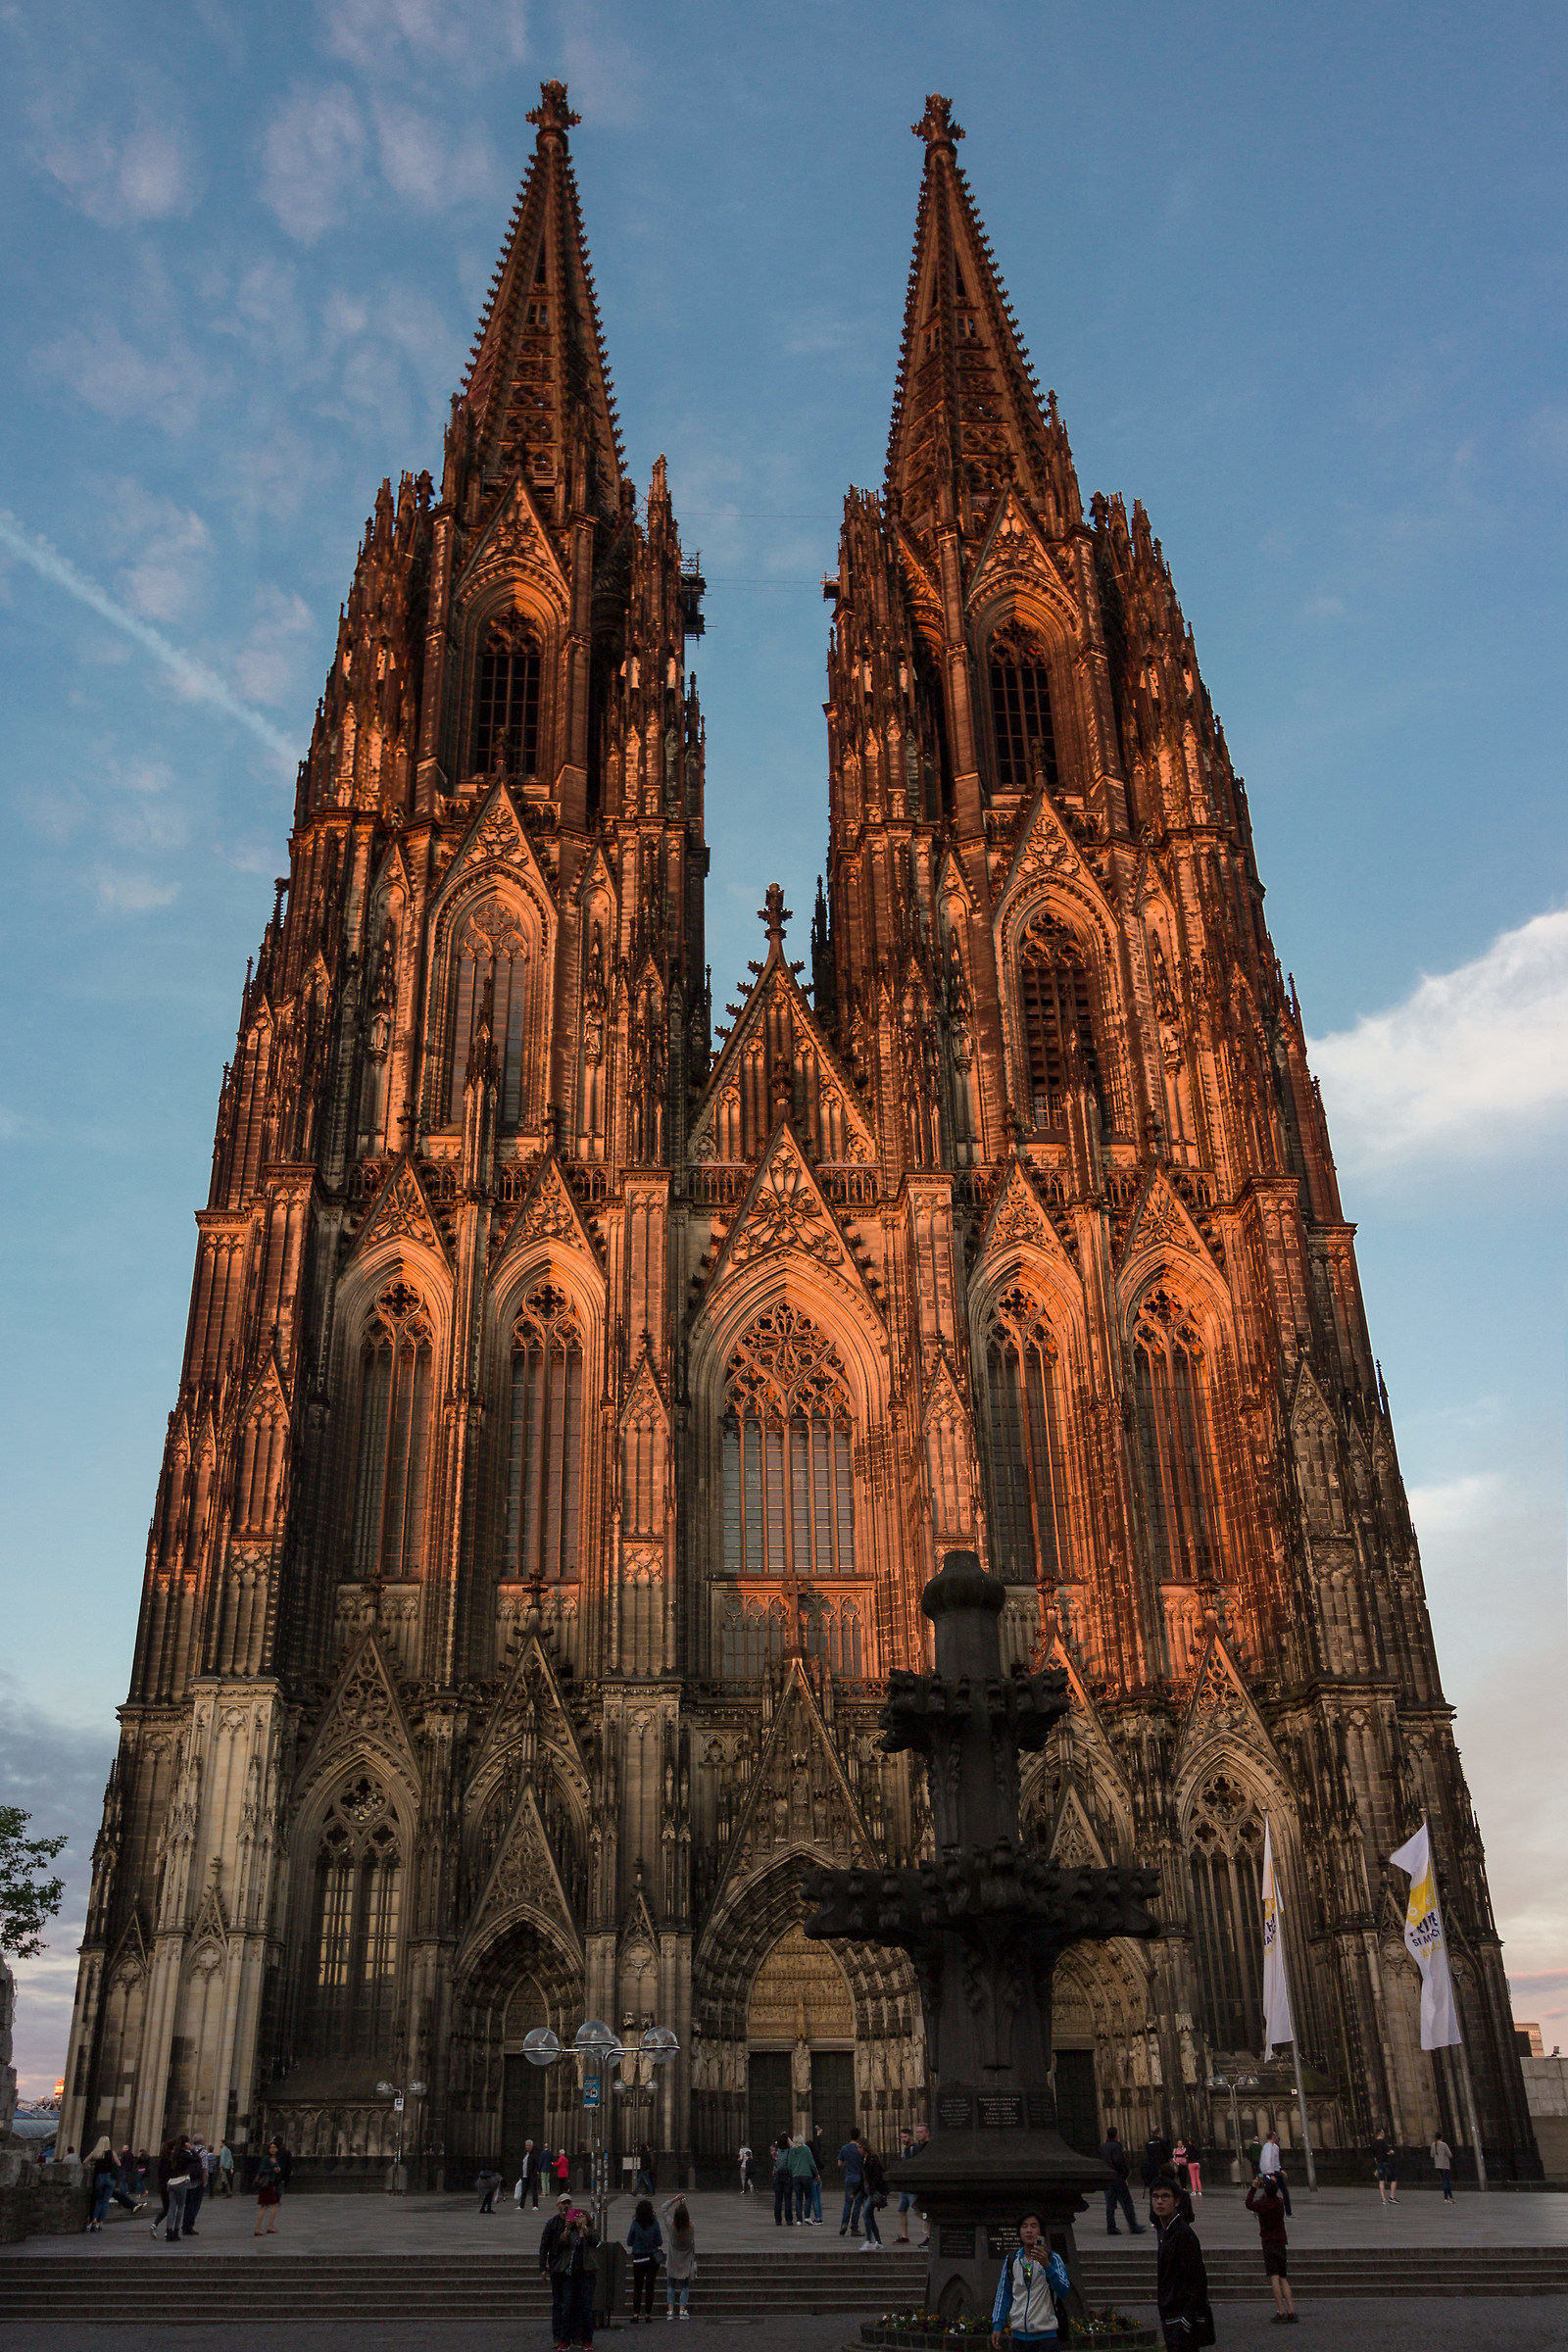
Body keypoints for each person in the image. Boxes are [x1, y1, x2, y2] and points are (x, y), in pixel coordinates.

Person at [990, 2210, 1070, 2349]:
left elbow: (1064, 2290)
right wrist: (998, 2324)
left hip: (1046, 2335)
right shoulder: (1012, 2260)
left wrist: (1047, 2266)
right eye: (1025, 2226)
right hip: (1019, 2335)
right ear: (1019, 2231)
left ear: (1041, 2231)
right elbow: (1004, 2294)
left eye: (1033, 2226)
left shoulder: (1053, 2259)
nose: (1029, 2231)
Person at [1152, 2179, 1213, 2350]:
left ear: (1176, 2201)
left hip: (1181, 2317)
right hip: (1171, 2314)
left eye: (1165, 2197)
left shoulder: (1183, 2234)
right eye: (1155, 2197)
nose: (1159, 2201)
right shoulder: (1168, 2231)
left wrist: (1187, 2319)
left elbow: (1198, 2280)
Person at [1246, 2171, 1297, 2325]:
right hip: (1281, 2242)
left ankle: (1280, 2311)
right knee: (1283, 2278)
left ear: (1265, 2192)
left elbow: (1248, 2203)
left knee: (1274, 2278)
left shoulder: (1262, 2205)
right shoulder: (1280, 2202)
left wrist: (1254, 2187)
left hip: (1269, 2243)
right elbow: (1277, 2196)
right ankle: (1291, 2311)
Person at [552, 2207, 600, 2351]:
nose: (578, 2219)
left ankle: (587, 2340)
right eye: (577, 2217)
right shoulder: (570, 2232)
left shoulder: (589, 2231)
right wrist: (567, 2228)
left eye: (581, 2216)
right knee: (567, 2308)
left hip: (586, 2275)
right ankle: (564, 2340)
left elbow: (595, 2240)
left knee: (586, 2309)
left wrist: (584, 2227)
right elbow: (561, 2244)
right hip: (570, 2274)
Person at [540, 2192, 575, 2347]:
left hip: (570, 2268)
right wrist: (542, 2267)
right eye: (563, 2203)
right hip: (556, 2267)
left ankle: (567, 2336)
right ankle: (558, 2336)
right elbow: (544, 2246)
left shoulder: (575, 2222)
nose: (566, 2206)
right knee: (558, 2303)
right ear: (558, 2205)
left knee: (568, 2303)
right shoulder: (552, 2223)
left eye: (568, 2203)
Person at [1101, 2126, 1144, 2235]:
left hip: (1107, 2178)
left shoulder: (1104, 2147)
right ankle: (1133, 2226)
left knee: (1110, 2204)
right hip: (1117, 2178)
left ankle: (1111, 2227)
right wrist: (1124, 2173)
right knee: (1126, 2203)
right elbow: (1118, 2161)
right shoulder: (1116, 2146)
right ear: (1116, 2135)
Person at [626, 2195, 663, 2323]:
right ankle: (648, 2314)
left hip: (638, 2258)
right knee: (650, 2286)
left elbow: (629, 2241)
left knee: (637, 2287)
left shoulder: (635, 2223)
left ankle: (635, 2314)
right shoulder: (655, 2223)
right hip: (652, 2258)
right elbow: (659, 2241)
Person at [661, 2195, 696, 2320]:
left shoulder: (671, 2226)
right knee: (685, 2286)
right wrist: (683, 2205)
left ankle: (670, 2311)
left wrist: (675, 2199)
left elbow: (663, 2209)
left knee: (671, 2284)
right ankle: (682, 2309)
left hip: (672, 2259)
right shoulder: (690, 2227)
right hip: (685, 2261)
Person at [155, 2137, 193, 2242]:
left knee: (170, 2208)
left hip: (168, 2184)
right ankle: (174, 2231)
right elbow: (196, 2159)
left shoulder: (165, 2157)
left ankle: (169, 2231)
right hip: (178, 2183)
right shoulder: (179, 2156)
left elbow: (161, 2173)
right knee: (179, 2207)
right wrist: (191, 2150)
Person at [896, 2122, 928, 2243]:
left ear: (910, 2136)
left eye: (905, 2136)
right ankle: (905, 2236)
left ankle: (930, 2222)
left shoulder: (915, 2149)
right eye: (901, 2137)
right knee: (901, 2211)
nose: (903, 2139)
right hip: (904, 2187)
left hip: (911, 2187)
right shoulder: (905, 2150)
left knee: (918, 2212)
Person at [786, 2132, 818, 2226]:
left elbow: (789, 2165)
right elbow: (812, 2163)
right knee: (808, 2197)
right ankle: (807, 2217)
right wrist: (816, 2173)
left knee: (798, 2198)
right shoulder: (806, 2149)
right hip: (806, 2175)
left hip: (796, 2176)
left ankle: (798, 2220)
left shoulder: (792, 2151)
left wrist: (793, 2173)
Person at [253, 2137, 284, 2235]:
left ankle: (268, 2226)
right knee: (266, 2205)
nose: (272, 2149)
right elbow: (261, 2170)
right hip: (266, 2185)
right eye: (271, 2147)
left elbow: (275, 2168)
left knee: (269, 2205)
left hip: (271, 2183)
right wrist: (273, 2170)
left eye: (274, 2147)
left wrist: (277, 2169)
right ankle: (260, 2228)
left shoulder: (275, 2159)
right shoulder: (266, 2159)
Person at [838, 2129, 865, 2236]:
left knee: (848, 2203)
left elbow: (839, 2164)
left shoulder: (844, 2148)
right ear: (859, 2136)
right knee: (857, 2204)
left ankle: (844, 2224)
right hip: (859, 2179)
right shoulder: (860, 2149)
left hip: (849, 2179)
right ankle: (854, 2228)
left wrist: (847, 2164)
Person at [859, 2142, 888, 2248]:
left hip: (874, 2191)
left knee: (866, 2214)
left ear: (864, 2147)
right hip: (867, 2191)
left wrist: (872, 2189)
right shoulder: (863, 2159)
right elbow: (862, 2177)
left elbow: (877, 2176)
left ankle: (868, 2241)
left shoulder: (873, 2160)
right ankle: (878, 2242)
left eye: (859, 2147)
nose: (858, 2149)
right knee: (870, 2216)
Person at [1142, 2130, 1172, 2225]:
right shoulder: (1163, 2142)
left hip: (1151, 2171)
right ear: (1159, 2133)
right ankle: (1168, 2215)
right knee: (1167, 2192)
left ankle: (1154, 2217)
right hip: (1163, 2170)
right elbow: (1168, 2155)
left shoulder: (1148, 2143)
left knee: (1154, 2195)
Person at [1258, 2130, 1292, 2215]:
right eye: (1275, 2136)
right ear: (1273, 2137)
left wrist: (1280, 2170)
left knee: (1283, 2191)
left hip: (1275, 2171)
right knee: (1270, 2191)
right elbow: (1267, 2161)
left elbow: (1275, 2161)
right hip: (1270, 2173)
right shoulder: (1267, 2147)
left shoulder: (1275, 2147)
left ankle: (1288, 2211)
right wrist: (1270, 2174)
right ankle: (1257, 2206)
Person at [182, 2137, 206, 2235]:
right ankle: (189, 2226)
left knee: (187, 2205)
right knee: (194, 2205)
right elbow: (204, 2169)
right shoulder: (203, 2152)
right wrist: (204, 2183)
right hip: (197, 2182)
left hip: (186, 2181)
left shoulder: (186, 2152)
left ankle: (184, 2225)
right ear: (202, 2141)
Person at [772, 2134, 794, 2227]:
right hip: (788, 2177)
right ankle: (789, 2220)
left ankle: (778, 2220)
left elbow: (772, 2146)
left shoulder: (775, 2152)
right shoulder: (790, 2151)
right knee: (788, 2200)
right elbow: (794, 2147)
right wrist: (788, 2139)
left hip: (777, 2176)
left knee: (778, 2200)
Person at [1372, 2133, 1398, 2206]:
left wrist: (1377, 2164)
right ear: (1380, 2133)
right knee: (1393, 2179)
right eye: (1383, 2133)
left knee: (1381, 2180)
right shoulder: (1383, 2142)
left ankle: (1383, 2199)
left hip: (1379, 2163)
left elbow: (1374, 2156)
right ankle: (1392, 2197)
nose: (1384, 2134)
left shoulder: (1373, 2143)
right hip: (1386, 2162)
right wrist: (1392, 2152)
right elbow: (1388, 2151)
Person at [1430, 2134, 1454, 2203]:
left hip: (1438, 2165)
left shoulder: (1433, 2145)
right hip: (1445, 2165)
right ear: (1441, 2137)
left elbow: (1431, 2155)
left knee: (1445, 2180)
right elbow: (1450, 2154)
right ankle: (1446, 2198)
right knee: (1446, 2181)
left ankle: (1451, 2197)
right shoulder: (1444, 2145)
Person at [518, 2138, 541, 2208]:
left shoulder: (534, 2154)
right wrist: (520, 2174)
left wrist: (536, 2172)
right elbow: (522, 2164)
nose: (527, 2147)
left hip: (531, 2175)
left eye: (528, 2145)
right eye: (526, 2146)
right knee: (524, 2191)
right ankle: (521, 2205)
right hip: (525, 2176)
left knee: (534, 2191)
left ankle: (535, 2205)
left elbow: (537, 2164)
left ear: (531, 2146)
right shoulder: (525, 2154)